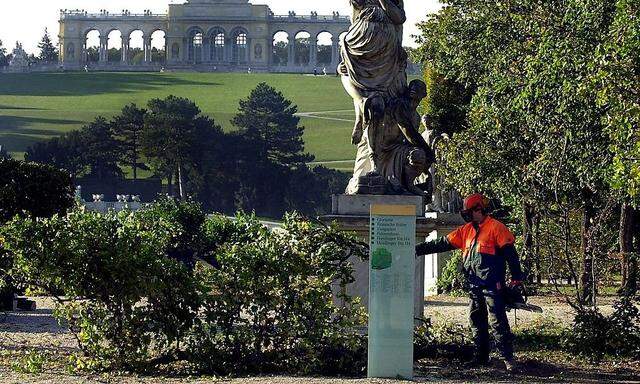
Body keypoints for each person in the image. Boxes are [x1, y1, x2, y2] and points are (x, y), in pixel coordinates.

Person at [415, 193, 524, 372]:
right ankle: (481, 357)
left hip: (492, 284)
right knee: (476, 319)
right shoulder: (466, 231)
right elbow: (442, 243)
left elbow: (511, 257)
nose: (466, 215)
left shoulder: (497, 228)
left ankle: (508, 360)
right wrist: (418, 249)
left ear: (479, 209)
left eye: (468, 212)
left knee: (498, 322)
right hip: (474, 283)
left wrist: (516, 279)